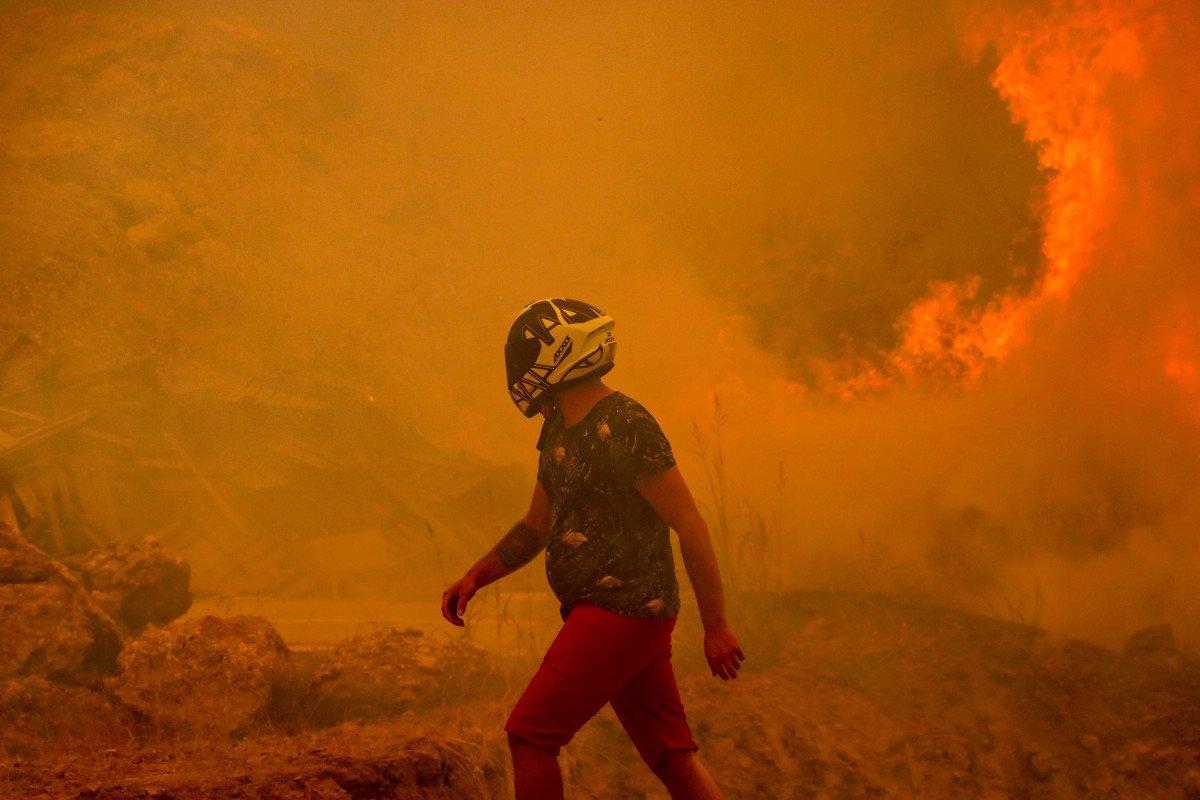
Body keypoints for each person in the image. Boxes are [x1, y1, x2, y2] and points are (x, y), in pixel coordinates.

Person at [441, 298, 744, 800]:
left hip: (621, 611)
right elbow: (536, 526)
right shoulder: (557, 426)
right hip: (617, 617)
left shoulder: (627, 424)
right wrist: (476, 576)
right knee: (671, 755)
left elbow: (688, 523)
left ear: (561, 354)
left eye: (529, 355)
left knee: (530, 735)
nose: (520, 371)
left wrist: (716, 626)